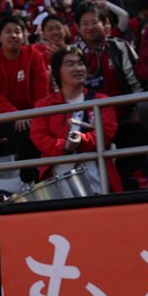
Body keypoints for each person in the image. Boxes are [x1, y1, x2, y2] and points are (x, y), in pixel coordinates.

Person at [29, 45, 122, 193]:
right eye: (70, 64)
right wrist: (64, 145)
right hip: (58, 178)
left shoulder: (101, 100)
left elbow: (107, 132)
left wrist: (82, 139)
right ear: (57, 72)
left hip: (97, 175)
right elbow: (39, 136)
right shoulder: (43, 105)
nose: (78, 68)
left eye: (81, 63)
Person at [0, 15, 50, 179]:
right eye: (8, 32)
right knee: (25, 130)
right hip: (4, 116)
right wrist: (16, 114)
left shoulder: (34, 55)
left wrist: (33, 115)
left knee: (43, 126)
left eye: (18, 31)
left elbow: (42, 91)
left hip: (34, 114)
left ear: (24, 35)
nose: (13, 36)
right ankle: (30, 180)